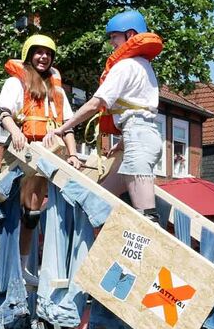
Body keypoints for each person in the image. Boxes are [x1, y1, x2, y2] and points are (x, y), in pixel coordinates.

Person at [48, 11, 163, 222]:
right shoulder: (145, 66)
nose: (111, 43)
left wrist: (63, 128)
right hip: (140, 136)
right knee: (98, 199)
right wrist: (122, 142)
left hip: (138, 138)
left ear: (130, 34)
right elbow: (140, 112)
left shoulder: (125, 65)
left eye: (114, 37)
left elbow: (95, 103)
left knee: (147, 217)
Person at [0, 34, 79, 264]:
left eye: (48, 53)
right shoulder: (16, 83)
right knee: (7, 210)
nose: (44, 57)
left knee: (31, 215)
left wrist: (72, 155)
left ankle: (21, 268)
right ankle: (2, 264)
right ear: (29, 55)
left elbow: (67, 126)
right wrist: (16, 133)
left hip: (47, 156)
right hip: (20, 152)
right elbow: (3, 113)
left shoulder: (58, 92)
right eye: (39, 52)